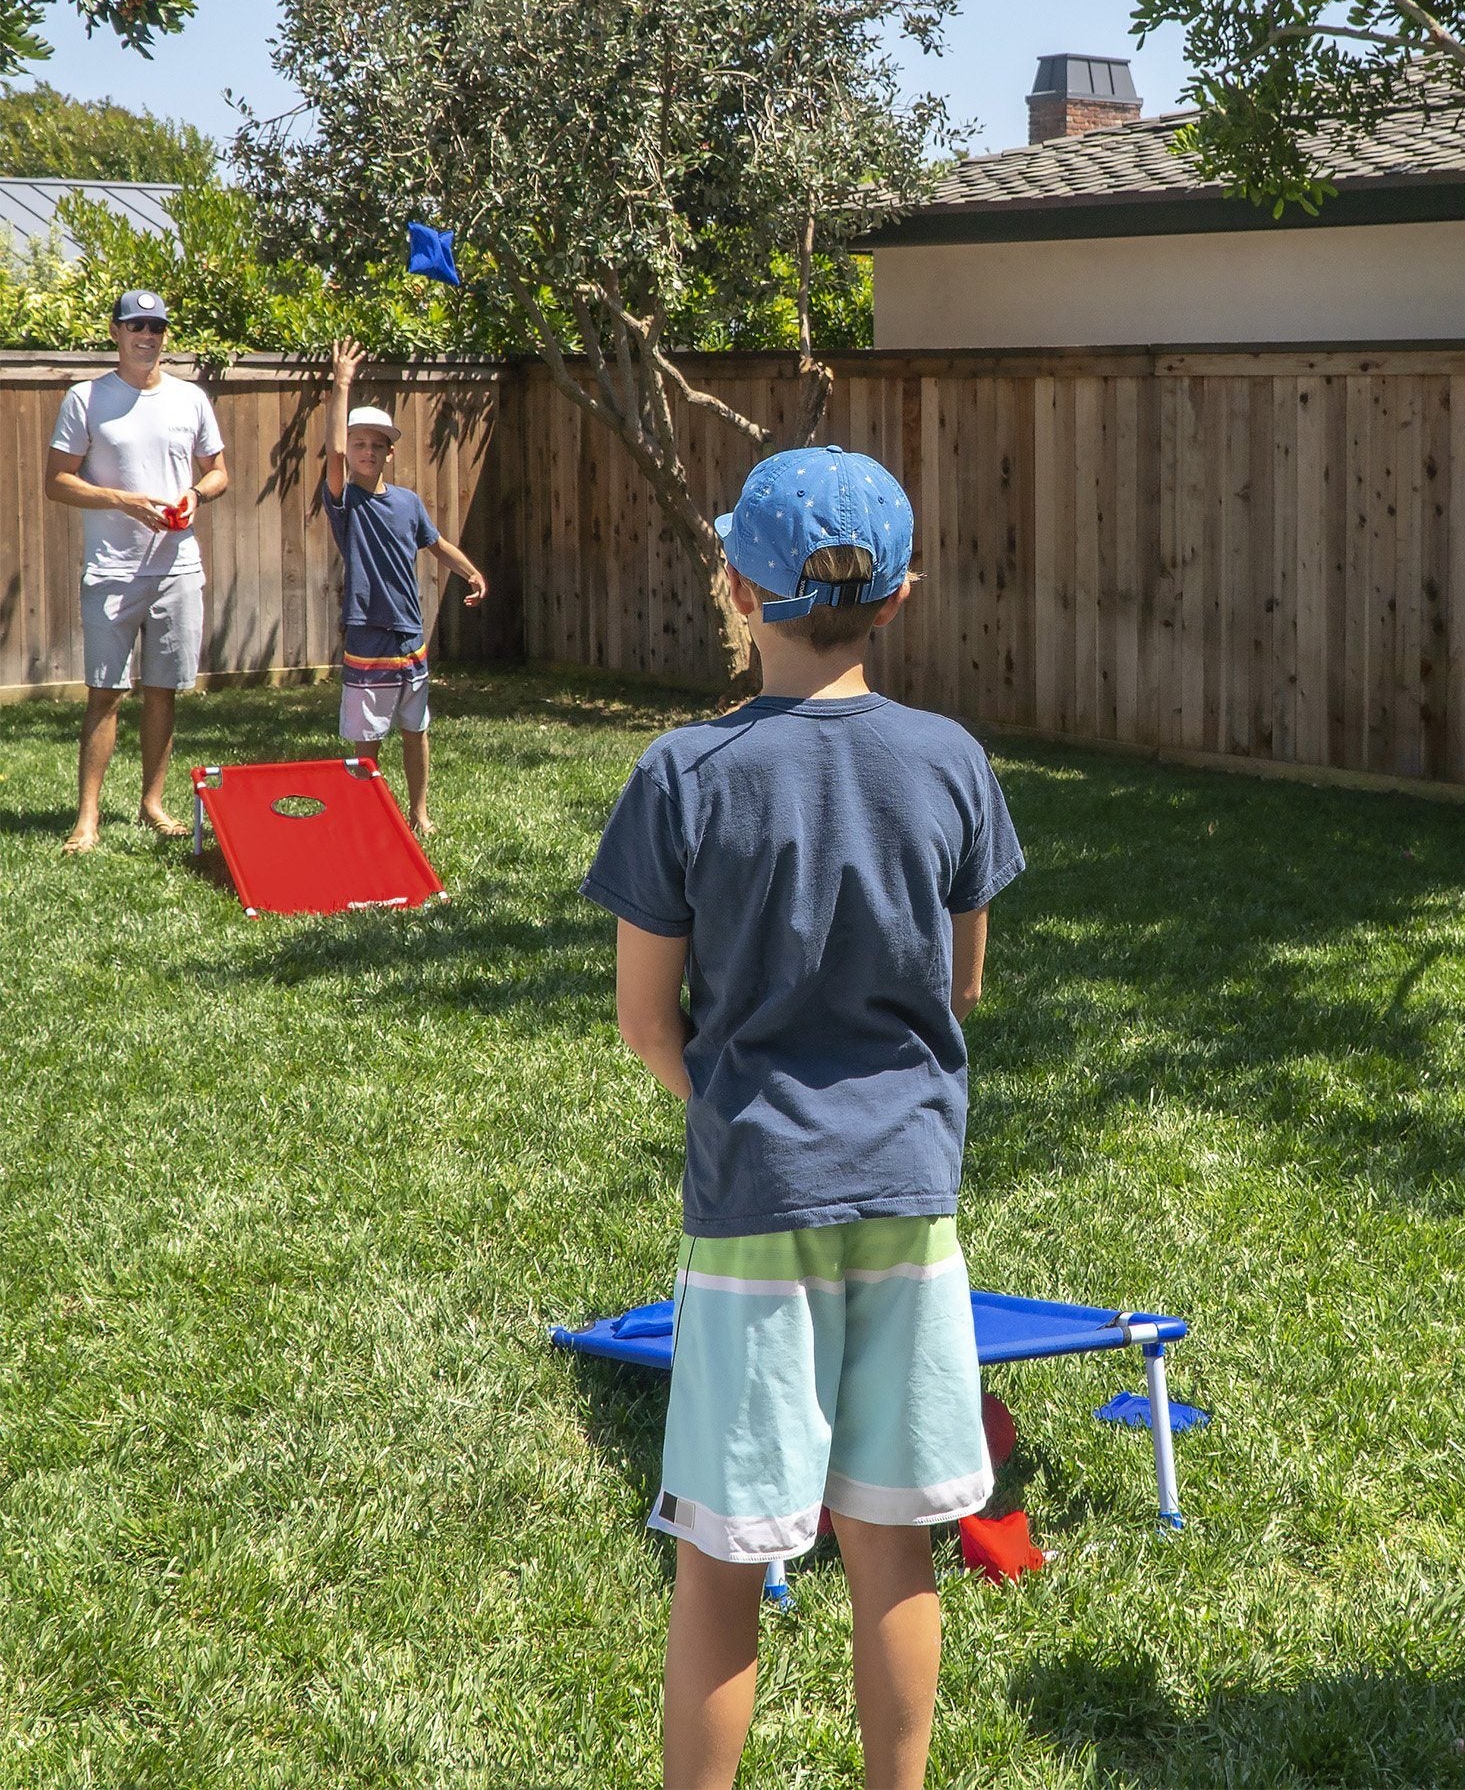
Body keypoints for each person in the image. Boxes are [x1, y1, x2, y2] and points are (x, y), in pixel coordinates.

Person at [582, 445, 1025, 1790]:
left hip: (755, 1209)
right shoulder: (950, 761)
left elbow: (648, 1022)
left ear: (736, 588)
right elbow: (962, 983)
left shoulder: (683, 773)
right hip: (908, 1197)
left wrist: (730, 1106)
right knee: (894, 1541)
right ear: (902, 597)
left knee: (726, 1557)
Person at [43, 289, 230, 852]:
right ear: (116, 332)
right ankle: (88, 820)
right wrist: (121, 500)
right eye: (135, 325)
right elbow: (56, 481)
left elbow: (218, 470)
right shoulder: (86, 397)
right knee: (104, 692)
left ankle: (153, 804)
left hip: (177, 568)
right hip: (112, 571)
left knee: (163, 690)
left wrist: (197, 495)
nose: (146, 335)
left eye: (156, 326)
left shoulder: (190, 398)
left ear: (165, 334)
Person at [323, 338, 486, 837]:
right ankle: (365, 811)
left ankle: (419, 812)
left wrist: (472, 571)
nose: (367, 452)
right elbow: (330, 449)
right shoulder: (344, 501)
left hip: (409, 634)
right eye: (359, 444)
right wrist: (342, 382)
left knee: (416, 728)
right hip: (367, 634)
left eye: (377, 445)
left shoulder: (408, 503)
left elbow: (436, 544)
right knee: (367, 735)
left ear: (389, 454)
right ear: (349, 452)